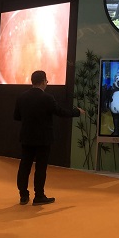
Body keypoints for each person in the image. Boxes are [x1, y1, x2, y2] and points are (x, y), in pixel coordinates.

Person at [14, 70, 85, 206]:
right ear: (43, 81)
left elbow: (16, 116)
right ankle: (39, 196)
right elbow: (61, 112)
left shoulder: (22, 97)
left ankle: (23, 195)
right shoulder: (47, 98)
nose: (47, 83)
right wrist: (77, 112)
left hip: (26, 137)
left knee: (24, 166)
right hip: (43, 138)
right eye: (46, 80)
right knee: (40, 168)